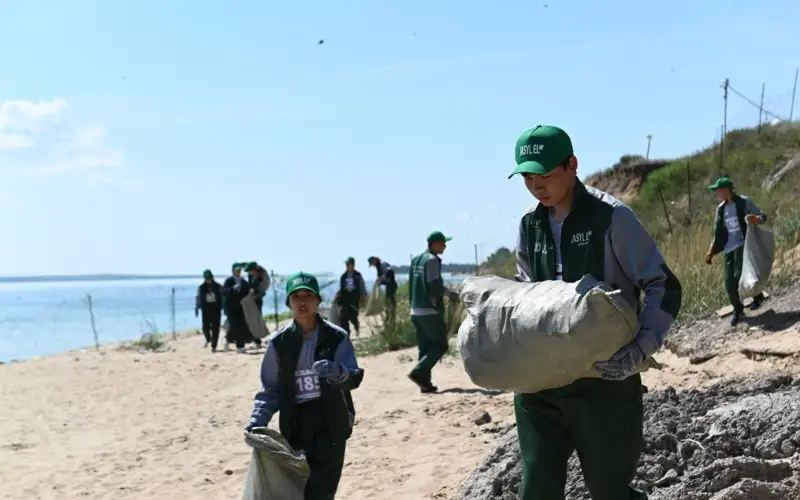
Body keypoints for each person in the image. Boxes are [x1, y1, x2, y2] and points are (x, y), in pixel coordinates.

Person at [509, 125, 682, 500]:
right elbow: (524, 294)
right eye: (527, 178)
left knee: (610, 491)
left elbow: (663, 285)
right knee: (536, 490)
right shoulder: (529, 224)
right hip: (541, 384)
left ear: (572, 165)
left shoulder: (612, 218)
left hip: (602, 382)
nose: (536, 186)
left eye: (544, 175)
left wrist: (639, 349)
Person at [246, 272, 364, 499]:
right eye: (296, 297)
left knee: (323, 491)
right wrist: (257, 420)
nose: (302, 302)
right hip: (296, 426)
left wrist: (337, 372)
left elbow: (354, 378)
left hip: (331, 422)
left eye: (308, 296)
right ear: (288, 303)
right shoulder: (279, 343)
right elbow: (270, 390)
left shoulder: (336, 337)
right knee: (300, 490)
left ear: (318, 300)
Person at [705, 176, 767, 326]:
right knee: (729, 282)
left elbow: (762, 217)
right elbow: (718, 233)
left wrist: (755, 219)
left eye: (718, 190)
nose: (717, 194)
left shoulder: (744, 202)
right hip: (728, 247)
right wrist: (711, 250)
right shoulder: (720, 209)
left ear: (726, 190)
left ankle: (757, 295)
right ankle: (738, 310)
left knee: (739, 275)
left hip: (744, 244)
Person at [407, 231, 452, 393]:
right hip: (429, 310)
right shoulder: (432, 260)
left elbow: (412, 284)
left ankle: (424, 383)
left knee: (425, 348)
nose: (445, 246)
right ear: (434, 244)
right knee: (440, 345)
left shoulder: (416, 259)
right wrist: (449, 294)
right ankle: (418, 372)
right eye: (442, 243)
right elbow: (433, 286)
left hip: (415, 309)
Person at [335, 257, 367, 337]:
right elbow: (341, 288)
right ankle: (347, 334)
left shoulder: (358, 275)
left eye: (348, 264)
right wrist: (338, 296)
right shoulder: (343, 276)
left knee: (353, 316)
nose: (347, 265)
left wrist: (363, 295)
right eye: (346, 264)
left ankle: (357, 326)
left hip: (354, 298)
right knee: (343, 317)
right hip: (345, 298)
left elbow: (362, 285)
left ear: (352, 265)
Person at [222, 262, 251, 353]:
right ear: (233, 271)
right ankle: (228, 340)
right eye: (236, 270)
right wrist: (233, 289)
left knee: (241, 325)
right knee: (234, 325)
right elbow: (224, 292)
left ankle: (240, 346)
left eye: (239, 270)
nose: (238, 272)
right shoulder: (228, 281)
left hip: (241, 307)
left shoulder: (243, 281)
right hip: (230, 308)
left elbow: (247, 292)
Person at [195, 269, 223, 352]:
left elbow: (223, 297)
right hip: (205, 309)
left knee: (215, 328)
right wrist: (197, 308)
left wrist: (224, 307)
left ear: (212, 277)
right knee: (205, 327)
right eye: (207, 278)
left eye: (210, 278)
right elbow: (198, 298)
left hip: (216, 308)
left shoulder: (218, 286)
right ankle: (208, 339)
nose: (209, 280)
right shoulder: (201, 287)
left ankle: (214, 345)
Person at [368, 256, 398, 322]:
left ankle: (392, 319)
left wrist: (386, 279)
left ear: (374, 260)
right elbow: (380, 276)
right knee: (387, 303)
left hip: (391, 286)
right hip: (387, 286)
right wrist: (379, 281)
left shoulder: (383, 264)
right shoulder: (378, 266)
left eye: (372, 263)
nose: (373, 265)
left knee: (391, 303)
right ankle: (388, 318)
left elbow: (390, 271)